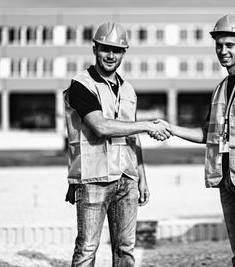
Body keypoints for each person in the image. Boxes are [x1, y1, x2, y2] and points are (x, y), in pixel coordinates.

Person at [154, 14, 235, 266]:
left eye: (230, 45)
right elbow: (209, 135)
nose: (223, 51)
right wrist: (170, 128)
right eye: (219, 45)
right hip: (226, 178)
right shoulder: (220, 89)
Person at [63, 21, 170, 267]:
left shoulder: (128, 90)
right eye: (105, 49)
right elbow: (100, 127)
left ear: (124, 53)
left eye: (117, 50)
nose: (111, 55)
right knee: (87, 248)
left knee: (125, 250)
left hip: (127, 178)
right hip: (93, 179)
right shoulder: (82, 85)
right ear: (95, 49)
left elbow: (132, 136)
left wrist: (142, 176)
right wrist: (147, 125)